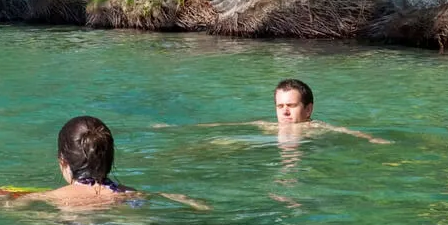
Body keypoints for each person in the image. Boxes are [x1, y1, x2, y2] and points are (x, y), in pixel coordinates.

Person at [0, 116, 207, 210]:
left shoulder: (53, 197)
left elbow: (11, 208)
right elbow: (168, 197)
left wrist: (6, 200)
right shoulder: (131, 194)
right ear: (109, 158)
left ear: (63, 162)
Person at [163, 78, 389, 144]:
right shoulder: (267, 126)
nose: (285, 113)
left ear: (308, 109)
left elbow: (348, 132)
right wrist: (177, 129)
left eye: (291, 106)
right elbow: (225, 126)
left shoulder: (317, 128)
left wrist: (373, 139)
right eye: (280, 107)